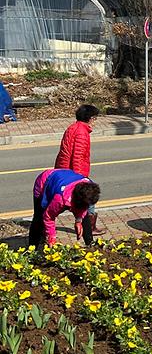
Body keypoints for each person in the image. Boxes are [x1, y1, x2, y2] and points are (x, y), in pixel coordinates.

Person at [54, 104, 106, 235]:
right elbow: (78, 157)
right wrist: (80, 178)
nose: (95, 121)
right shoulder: (82, 133)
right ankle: (89, 227)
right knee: (88, 196)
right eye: (94, 118)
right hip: (73, 172)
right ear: (90, 118)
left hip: (63, 169)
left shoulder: (72, 127)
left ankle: (45, 224)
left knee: (61, 199)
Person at [29, 169, 101, 248]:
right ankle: (32, 249)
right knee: (39, 218)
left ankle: (90, 245)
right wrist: (51, 237)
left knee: (85, 218)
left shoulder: (89, 186)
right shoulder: (60, 199)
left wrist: (79, 220)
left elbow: (83, 207)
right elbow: (48, 217)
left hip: (66, 178)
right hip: (44, 181)